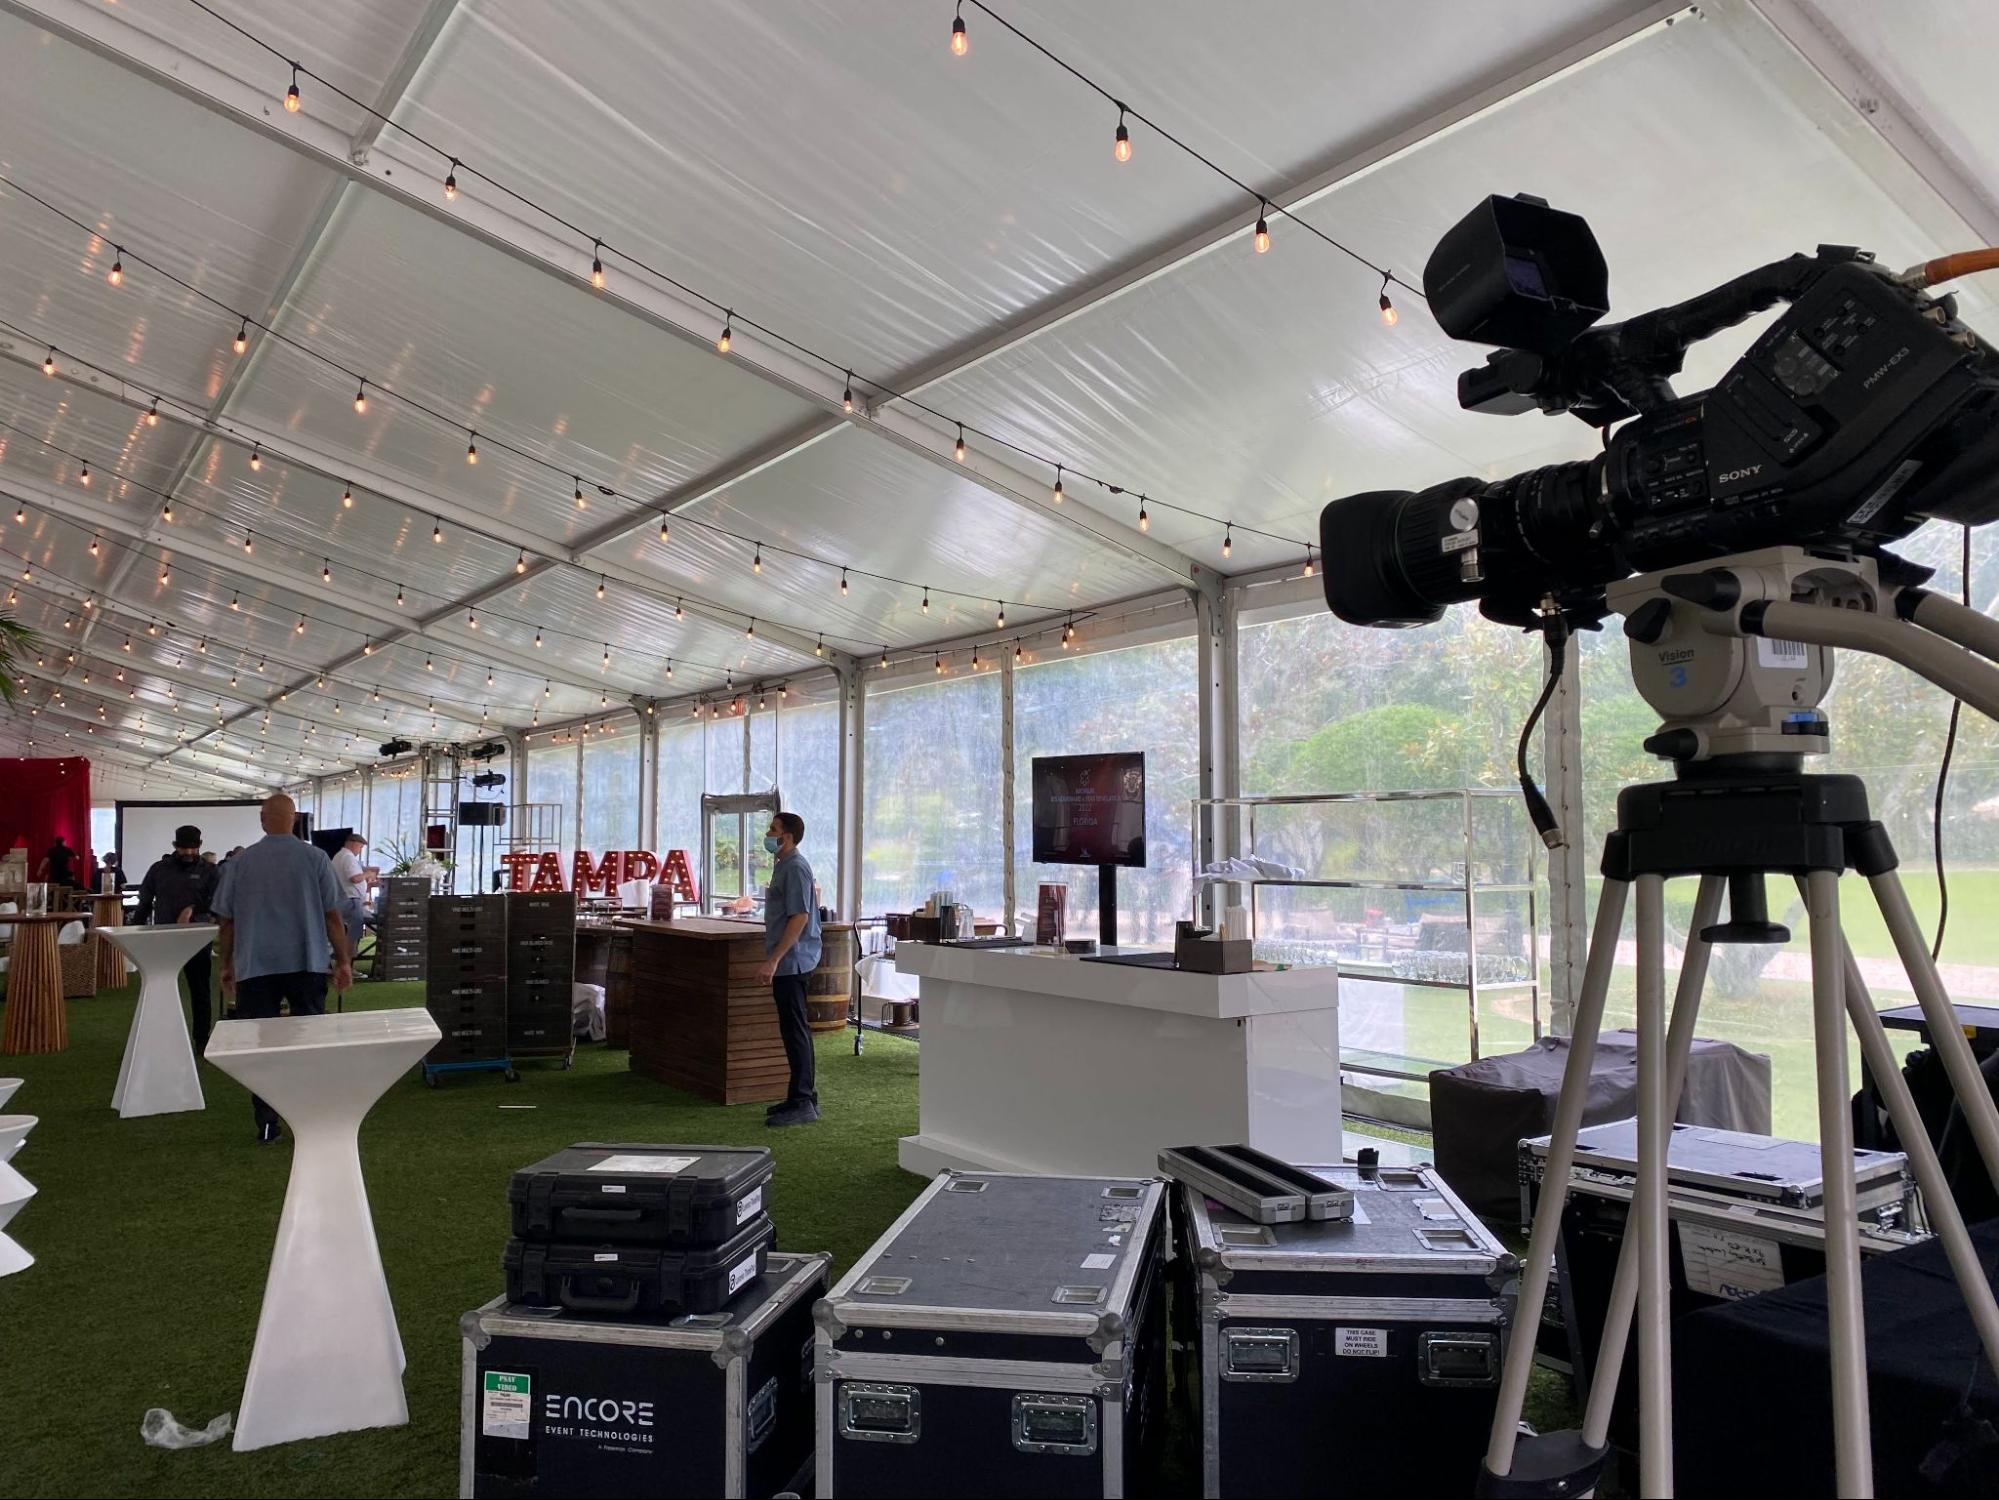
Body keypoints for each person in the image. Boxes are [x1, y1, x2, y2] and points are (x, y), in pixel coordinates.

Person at [212, 794, 353, 1144]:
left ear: (262, 820)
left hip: (255, 968)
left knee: (263, 1049)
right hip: (307, 964)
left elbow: (227, 922)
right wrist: (344, 961)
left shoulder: (240, 864)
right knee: (311, 1043)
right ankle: (312, 1116)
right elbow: (333, 917)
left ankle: (266, 1122)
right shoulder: (315, 858)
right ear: (294, 819)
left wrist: (227, 964)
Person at [754, 811, 823, 1128]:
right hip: (790, 960)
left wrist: (774, 959)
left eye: (774, 829)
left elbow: (799, 917)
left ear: (788, 836)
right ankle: (798, 1095)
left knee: (795, 1030)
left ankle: (803, 1101)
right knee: (792, 1029)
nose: (769, 833)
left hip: (793, 961)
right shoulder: (784, 865)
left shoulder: (795, 867)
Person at [133, 826, 221, 1052]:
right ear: (174, 846)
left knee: (200, 989)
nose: (188, 853)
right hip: (164, 938)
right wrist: (134, 932)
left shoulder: (211, 871)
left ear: (200, 845)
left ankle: (202, 1040)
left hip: (196, 938)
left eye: (193, 848)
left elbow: (219, 903)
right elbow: (144, 903)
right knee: (160, 988)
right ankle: (159, 1037)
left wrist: (193, 908)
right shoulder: (159, 870)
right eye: (183, 848)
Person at [331, 832, 370, 958]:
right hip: (350, 901)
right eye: (360, 847)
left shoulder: (339, 856)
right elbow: (354, 878)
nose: (359, 851)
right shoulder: (347, 857)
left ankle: (346, 961)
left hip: (345, 899)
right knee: (353, 935)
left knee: (351, 933)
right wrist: (368, 874)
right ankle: (348, 963)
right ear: (353, 844)